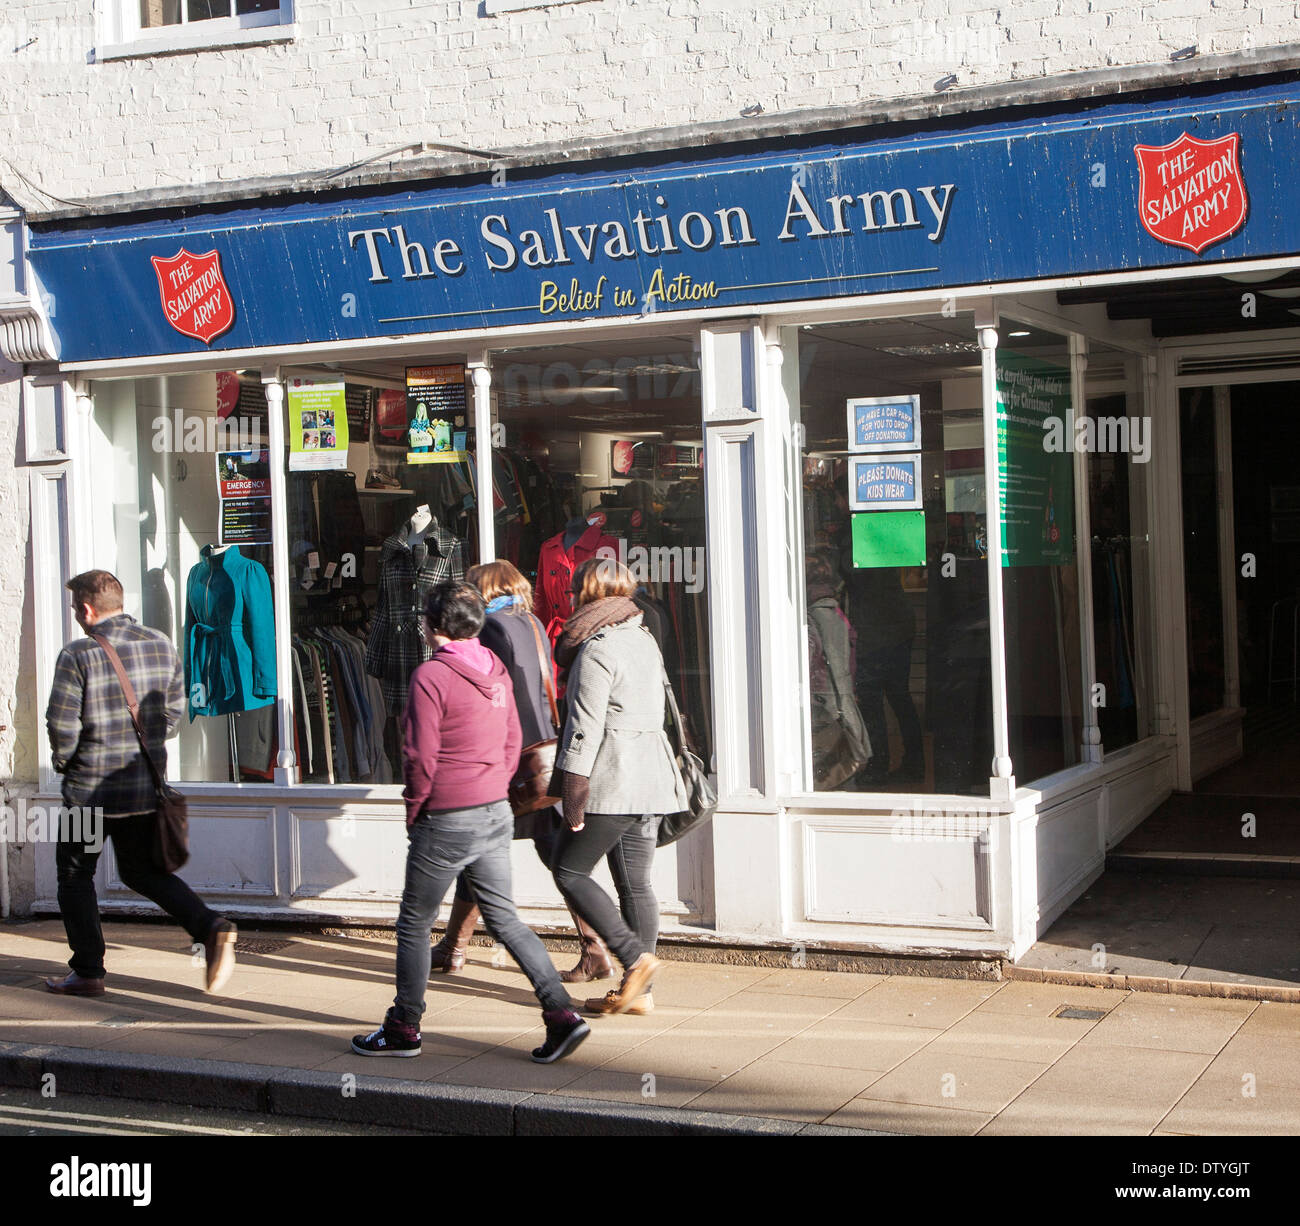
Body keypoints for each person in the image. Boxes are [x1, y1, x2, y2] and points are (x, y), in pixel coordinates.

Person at [351, 580, 589, 1063]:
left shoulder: (431, 677)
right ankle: (562, 1015)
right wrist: (494, 785)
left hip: (446, 814)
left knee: (415, 923)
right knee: (505, 919)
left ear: (433, 625)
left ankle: (403, 1027)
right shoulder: (496, 670)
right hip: (494, 811)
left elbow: (419, 756)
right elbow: (512, 739)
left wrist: (416, 809)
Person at [44, 570, 237, 997]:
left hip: (87, 797)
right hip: (142, 789)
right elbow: (171, 713)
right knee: (142, 871)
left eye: (77, 607)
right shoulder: (160, 644)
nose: (77, 615)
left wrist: (66, 763)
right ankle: (209, 925)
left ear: (87, 609)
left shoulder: (77, 655)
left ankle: (88, 971)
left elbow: (62, 726)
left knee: (75, 877)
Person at [428, 560, 615, 984]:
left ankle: (454, 948)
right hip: (542, 749)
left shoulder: (493, 627)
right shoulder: (528, 620)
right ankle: (592, 948)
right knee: (548, 854)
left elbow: (493, 688)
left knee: (483, 846)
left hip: (515, 754)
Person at [549, 557, 685, 1017]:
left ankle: (635, 959)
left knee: (568, 870)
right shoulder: (643, 636)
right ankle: (639, 994)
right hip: (651, 775)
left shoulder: (597, 648)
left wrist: (573, 794)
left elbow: (584, 730)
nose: (568, 596)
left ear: (585, 593)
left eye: (573, 589)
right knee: (635, 883)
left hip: (615, 778)